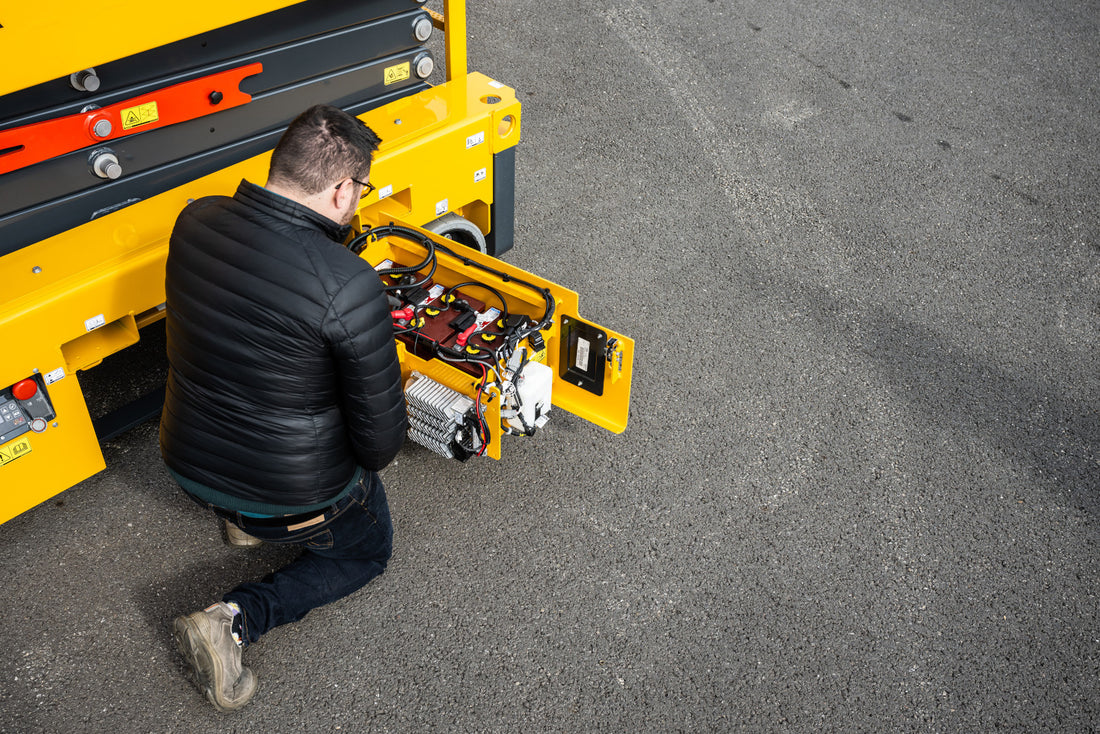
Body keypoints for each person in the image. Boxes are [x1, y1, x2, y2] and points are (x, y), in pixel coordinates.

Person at [159, 104, 407, 711]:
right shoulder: (347, 285)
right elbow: (380, 445)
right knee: (369, 548)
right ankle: (235, 620)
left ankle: (244, 524)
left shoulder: (194, 220)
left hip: (187, 464)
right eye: (361, 190)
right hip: (290, 496)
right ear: (343, 188)